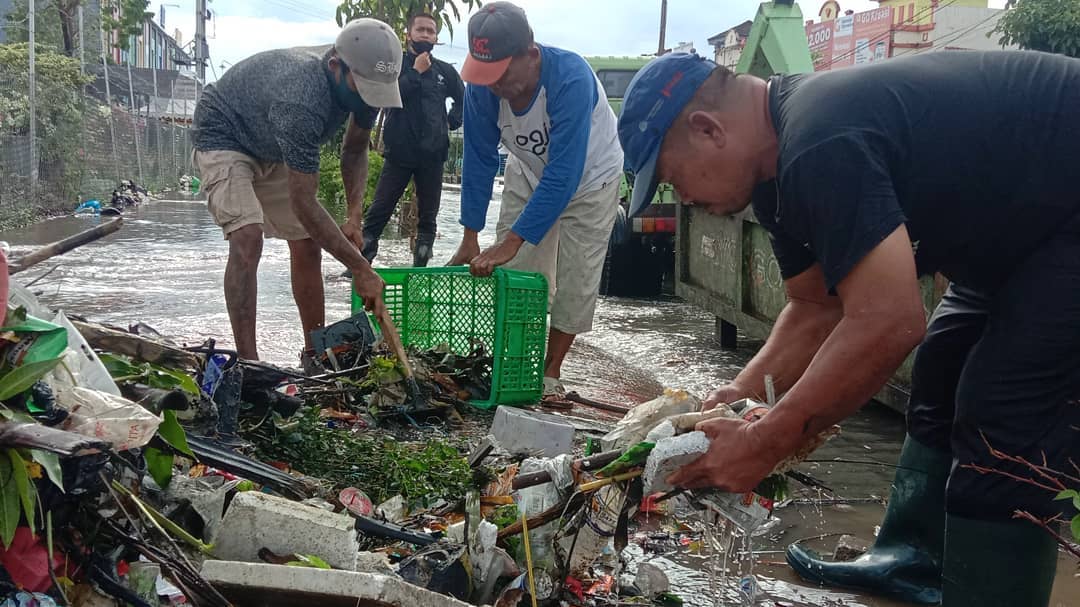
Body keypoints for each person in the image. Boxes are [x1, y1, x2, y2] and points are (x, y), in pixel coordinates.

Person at [618, 51, 1080, 606]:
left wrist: (767, 440)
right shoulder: (772, 173)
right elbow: (816, 305)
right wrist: (737, 394)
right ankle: (914, 557)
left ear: (707, 128)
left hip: (1061, 219)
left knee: (1002, 412)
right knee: (943, 368)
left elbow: (888, 320)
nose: (683, 199)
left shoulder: (820, 140)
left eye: (672, 177)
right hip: (1014, 237)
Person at [192, 18, 400, 365]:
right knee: (247, 237)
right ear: (336, 67)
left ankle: (315, 355)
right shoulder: (302, 98)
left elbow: (355, 148)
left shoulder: (367, 82)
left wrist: (354, 217)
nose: (369, 99)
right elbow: (303, 203)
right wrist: (361, 269)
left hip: (272, 144)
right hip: (224, 133)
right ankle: (250, 365)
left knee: (307, 244)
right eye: (363, 88)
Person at [447, 1, 623, 397]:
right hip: (527, 171)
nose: (495, 86)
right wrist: (470, 235)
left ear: (531, 54)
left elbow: (564, 173)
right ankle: (515, 362)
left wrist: (511, 240)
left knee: (578, 279)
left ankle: (550, 372)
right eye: (485, 75)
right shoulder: (482, 89)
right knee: (521, 275)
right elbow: (478, 157)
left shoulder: (570, 78)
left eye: (502, 74)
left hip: (591, 178)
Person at [358, 12, 464, 267]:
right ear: (408, 34)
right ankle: (358, 269)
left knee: (428, 219)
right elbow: (387, 97)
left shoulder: (445, 71)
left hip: (433, 156)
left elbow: (463, 99)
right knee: (378, 213)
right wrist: (416, 73)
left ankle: (419, 272)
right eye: (421, 30)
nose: (426, 34)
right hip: (399, 154)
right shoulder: (397, 66)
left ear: (436, 37)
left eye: (430, 31)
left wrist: (452, 121)